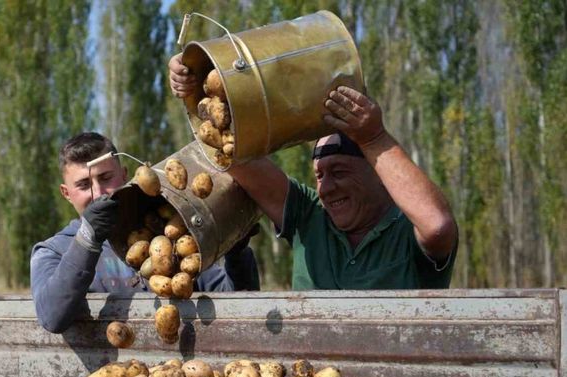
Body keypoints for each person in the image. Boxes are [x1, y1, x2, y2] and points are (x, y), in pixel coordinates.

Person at [168, 55, 458, 289]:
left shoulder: (406, 231)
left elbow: (439, 226)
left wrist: (373, 138)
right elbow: (232, 153)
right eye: (319, 175)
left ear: (378, 171)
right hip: (311, 365)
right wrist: (194, 88)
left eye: (340, 172)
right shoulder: (310, 216)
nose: (326, 188)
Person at [30, 132, 260, 333]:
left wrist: (236, 252)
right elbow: (52, 318)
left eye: (106, 178)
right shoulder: (53, 251)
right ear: (66, 193)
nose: (99, 193)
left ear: (125, 175)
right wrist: (89, 237)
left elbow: (234, 302)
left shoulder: (166, 234)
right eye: (83, 185)